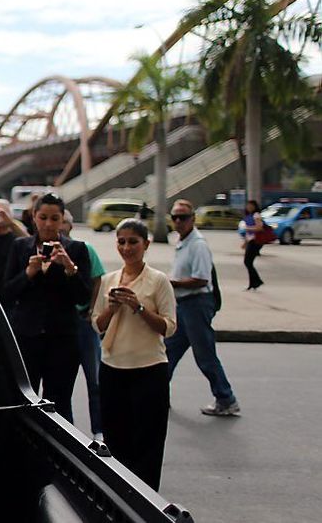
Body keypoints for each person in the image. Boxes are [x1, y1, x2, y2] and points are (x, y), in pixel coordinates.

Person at [92, 219, 176, 489]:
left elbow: (169, 327)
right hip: (113, 368)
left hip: (149, 368)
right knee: (116, 440)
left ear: (146, 245)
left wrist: (139, 308)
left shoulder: (158, 280)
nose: (126, 248)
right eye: (121, 241)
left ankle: (146, 500)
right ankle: (120, 497)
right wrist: (113, 307)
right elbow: (97, 324)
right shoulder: (109, 280)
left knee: (148, 442)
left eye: (133, 242)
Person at [3, 192, 91, 422]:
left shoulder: (77, 249)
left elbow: (84, 296)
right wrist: (28, 273)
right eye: (43, 217)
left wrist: (70, 268)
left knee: (59, 400)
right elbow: (7, 293)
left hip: (62, 337)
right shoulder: (20, 247)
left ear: (63, 220)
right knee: (23, 398)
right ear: (34, 217)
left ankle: (61, 452)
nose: (48, 224)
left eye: (54, 218)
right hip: (26, 334)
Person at [165, 199, 240, 416]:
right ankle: (159, 394)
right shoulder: (183, 242)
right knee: (168, 351)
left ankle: (226, 398)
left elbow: (201, 279)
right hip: (184, 305)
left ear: (193, 219)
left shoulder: (197, 245)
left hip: (196, 304)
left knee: (205, 355)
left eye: (183, 217)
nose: (179, 221)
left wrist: (175, 284)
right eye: (175, 217)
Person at [62, 210, 106, 440]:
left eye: (64, 223)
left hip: (84, 322)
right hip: (63, 324)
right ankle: (67, 430)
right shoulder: (44, 250)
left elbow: (98, 278)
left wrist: (92, 309)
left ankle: (99, 430)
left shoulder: (84, 249)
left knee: (94, 379)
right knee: (62, 383)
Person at [241, 200, 265, 291]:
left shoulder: (256, 215)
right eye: (248, 206)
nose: (249, 207)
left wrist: (248, 228)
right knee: (248, 262)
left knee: (248, 262)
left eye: (251, 206)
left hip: (255, 241)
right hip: (250, 241)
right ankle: (254, 283)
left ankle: (256, 282)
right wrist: (245, 243)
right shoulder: (248, 216)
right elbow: (248, 234)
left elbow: (259, 227)